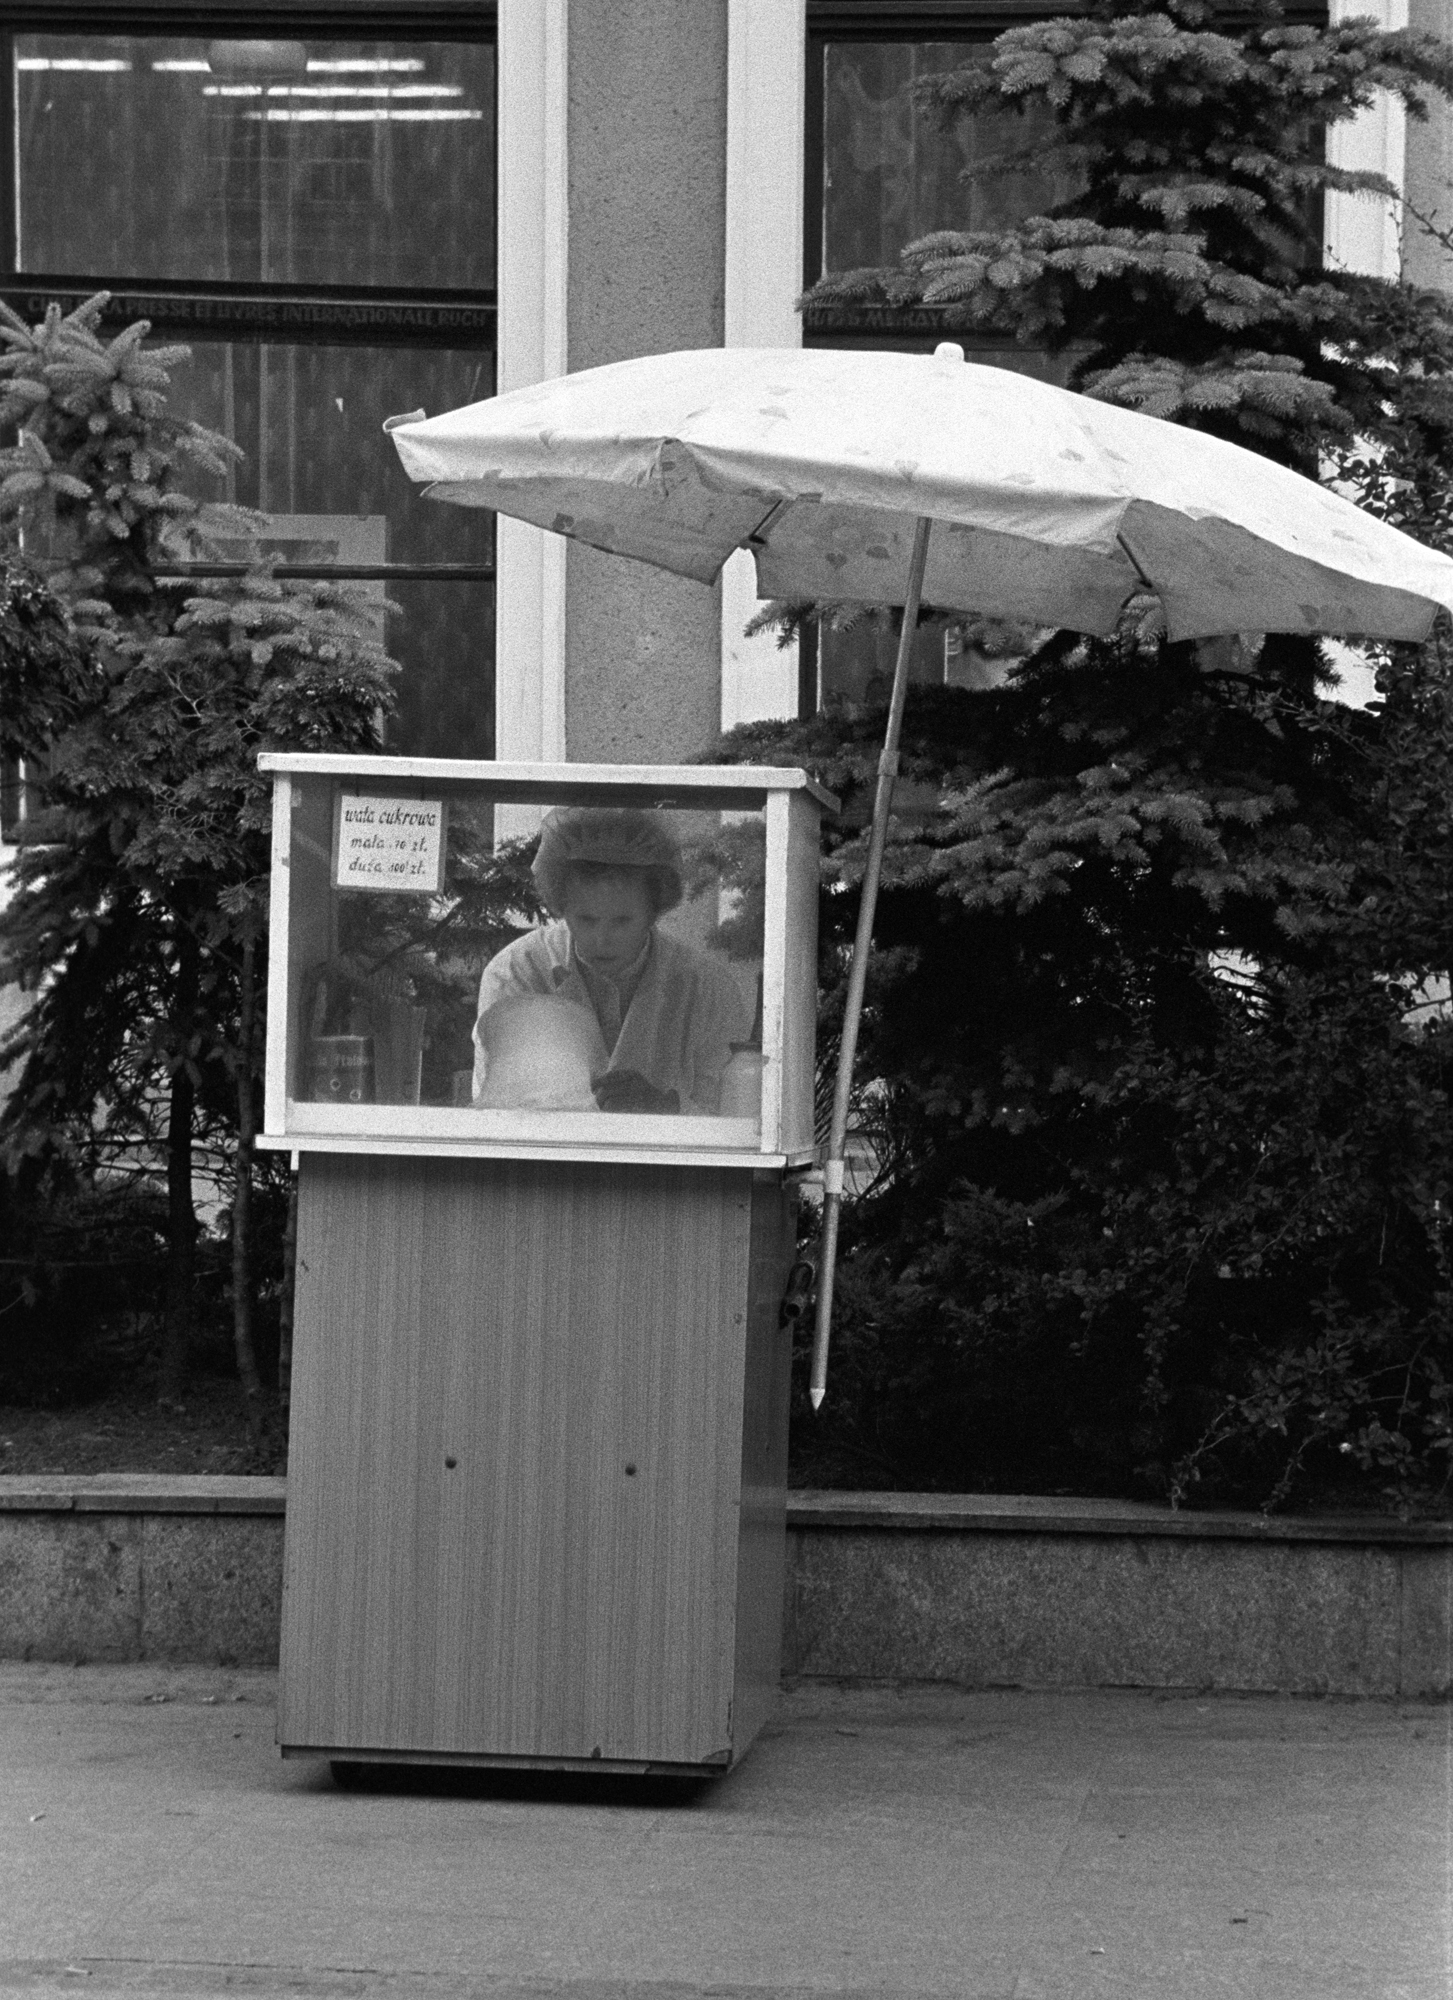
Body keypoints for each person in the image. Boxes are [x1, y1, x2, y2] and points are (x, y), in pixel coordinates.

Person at [472, 806, 749, 1113]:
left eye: (622, 921)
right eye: (586, 919)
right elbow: (497, 1111)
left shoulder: (707, 986)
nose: (602, 940)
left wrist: (664, 1106)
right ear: (561, 906)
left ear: (654, 911)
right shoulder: (516, 972)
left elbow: (730, 1115)